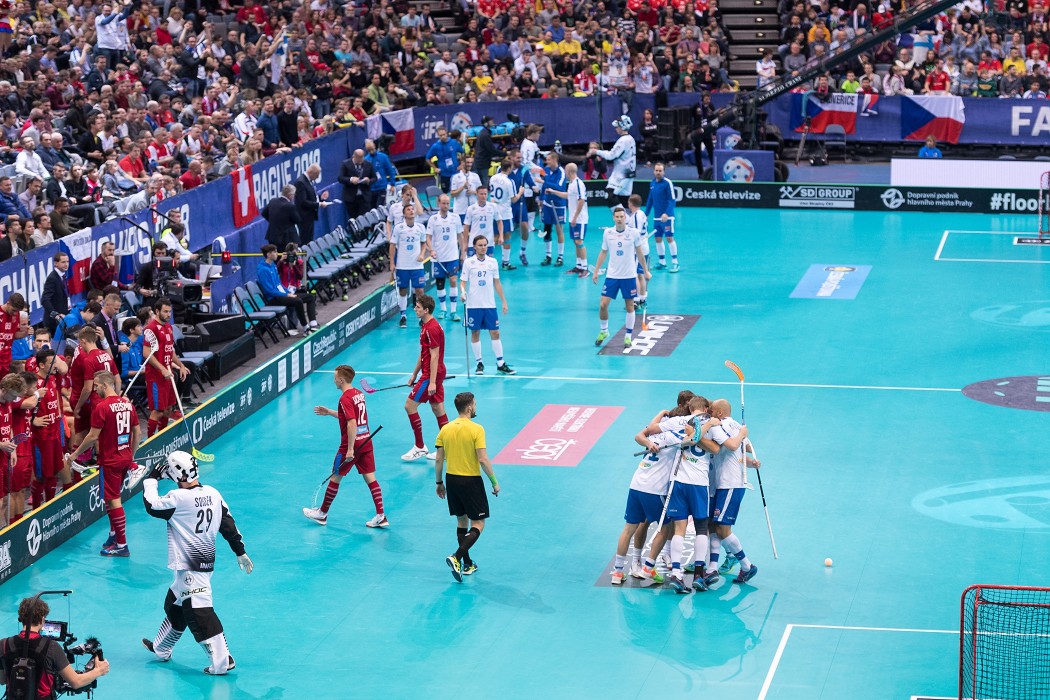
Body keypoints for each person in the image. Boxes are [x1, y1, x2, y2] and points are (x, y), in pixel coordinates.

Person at [142, 450, 253, 675]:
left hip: (191, 569)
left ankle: (222, 661)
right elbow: (228, 524)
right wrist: (240, 551)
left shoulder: (177, 498)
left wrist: (151, 479)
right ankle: (162, 648)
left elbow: (152, 505)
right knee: (174, 604)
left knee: (198, 613)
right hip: (200, 564)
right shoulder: (213, 493)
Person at [66, 370, 140, 557]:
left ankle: (122, 545)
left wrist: (75, 455)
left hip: (110, 461)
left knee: (114, 500)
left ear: (105, 385)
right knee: (110, 498)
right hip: (124, 458)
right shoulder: (128, 404)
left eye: (97, 385)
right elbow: (137, 432)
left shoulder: (102, 407)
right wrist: (131, 455)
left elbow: (92, 436)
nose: (95, 389)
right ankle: (114, 534)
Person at [304, 365, 387, 528]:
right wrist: (329, 412)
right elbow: (349, 416)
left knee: (335, 477)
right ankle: (381, 515)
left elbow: (351, 423)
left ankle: (322, 514)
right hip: (366, 441)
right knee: (371, 479)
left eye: (335, 378)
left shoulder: (344, 398)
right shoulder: (358, 394)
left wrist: (349, 449)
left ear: (341, 380)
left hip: (351, 445)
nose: (334, 380)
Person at [434, 391, 500, 582]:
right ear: (470, 407)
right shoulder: (476, 429)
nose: (475, 407)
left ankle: (468, 564)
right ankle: (456, 557)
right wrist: (494, 482)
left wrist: (439, 483)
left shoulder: (445, 429)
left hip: (451, 480)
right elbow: (483, 459)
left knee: (462, 522)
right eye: (475, 404)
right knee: (478, 524)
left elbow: (438, 459)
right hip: (470, 481)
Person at [0, 596, 110, 695]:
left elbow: (2, 680)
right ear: (42, 619)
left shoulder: (3, 644)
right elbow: (75, 682)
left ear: (20, 618)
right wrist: (99, 671)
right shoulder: (51, 646)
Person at [706, 398, 761, 584]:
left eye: (711, 411)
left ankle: (747, 566)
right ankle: (712, 568)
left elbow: (735, 446)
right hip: (721, 484)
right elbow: (745, 449)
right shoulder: (735, 426)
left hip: (730, 484)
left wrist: (741, 436)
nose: (709, 414)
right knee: (714, 526)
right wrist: (743, 436)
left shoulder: (721, 425)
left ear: (720, 413)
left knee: (723, 528)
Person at [592, 206, 651, 349]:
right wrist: (596, 270)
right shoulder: (608, 233)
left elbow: (640, 253)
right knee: (603, 304)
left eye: (621, 217)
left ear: (625, 218)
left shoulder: (633, 233)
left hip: (629, 276)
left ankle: (628, 336)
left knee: (630, 306)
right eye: (617, 217)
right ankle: (604, 331)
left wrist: (645, 271)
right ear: (613, 218)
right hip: (612, 275)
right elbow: (603, 252)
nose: (619, 219)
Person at [401, 295, 448, 462]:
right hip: (430, 373)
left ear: (426, 310)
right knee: (437, 409)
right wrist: (414, 373)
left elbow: (434, 356)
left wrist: (432, 382)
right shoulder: (425, 325)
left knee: (409, 406)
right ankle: (448, 449)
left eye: (418, 307)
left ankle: (420, 447)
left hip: (431, 375)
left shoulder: (432, 328)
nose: (415, 309)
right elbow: (424, 353)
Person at [460, 235, 515, 375]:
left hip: (489, 305)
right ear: (474, 247)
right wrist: (462, 292)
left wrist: (504, 301)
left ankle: (500, 363)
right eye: (480, 245)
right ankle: (479, 363)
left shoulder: (493, 262)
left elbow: (497, 283)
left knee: (495, 332)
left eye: (485, 245)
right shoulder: (468, 262)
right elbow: (463, 282)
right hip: (473, 305)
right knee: (475, 333)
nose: (483, 247)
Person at [142, 298, 190, 437]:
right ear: (157, 311)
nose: (168, 314)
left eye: (170, 311)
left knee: (168, 409)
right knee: (158, 411)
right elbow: (146, 353)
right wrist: (162, 368)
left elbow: (170, 350)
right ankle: (150, 440)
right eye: (165, 311)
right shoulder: (150, 329)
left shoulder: (168, 327)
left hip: (168, 374)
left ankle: (162, 437)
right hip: (156, 376)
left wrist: (180, 365)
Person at [30, 347, 69, 511]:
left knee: (53, 473)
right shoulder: (32, 383)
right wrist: (32, 420)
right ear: (41, 365)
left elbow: (63, 368)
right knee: (41, 476)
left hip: (55, 433)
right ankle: (36, 510)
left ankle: (50, 508)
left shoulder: (54, 377)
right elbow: (19, 407)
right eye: (51, 363)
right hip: (41, 437)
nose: (55, 365)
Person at [68, 325, 118, 449]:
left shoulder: (89, 358)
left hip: (94, 401)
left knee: (91, 435)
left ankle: (79, 459)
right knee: (104, 434)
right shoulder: (106, 355)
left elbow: (88, 387)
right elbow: (117, 379)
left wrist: (78, 406)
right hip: (107, 400)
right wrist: (116, 397)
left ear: (83, 340)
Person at [257, 244, 318, 335]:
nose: (277, 254)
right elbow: (269, 291)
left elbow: (279, 284)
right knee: (298, 301)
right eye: (274, 252)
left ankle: (313, 324)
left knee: (310, 297)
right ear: (268, 254)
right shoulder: (263, 270)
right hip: (273, 298)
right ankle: (306, 328)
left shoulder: (272, 266)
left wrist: (288, 292)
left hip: (281, 294)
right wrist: (287, 295)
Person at [389, 203, 428, 330]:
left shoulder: (420, 227)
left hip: (417, 266)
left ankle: (421, 317)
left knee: (420, 291)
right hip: (402, 265)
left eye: (412, 209)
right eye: (408, 210)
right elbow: (392, 245)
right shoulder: (398, 228)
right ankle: (403, 316)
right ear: (404, 214)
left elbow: (424, 243)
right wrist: (392, 263)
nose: (411, 211)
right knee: (403, 290)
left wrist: (422, 254)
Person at [425, 194, 462, 321]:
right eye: (443, 203)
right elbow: (428, 237)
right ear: (438, 203)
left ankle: (453, 311)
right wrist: (431, 250)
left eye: (447, 203)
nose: (446, 206)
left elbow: (460, 236)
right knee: (440, 284)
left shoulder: (455, 218)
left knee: (453, 280)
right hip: (439, 258)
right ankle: (443, 310)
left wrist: (463, 253)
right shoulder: (433, 219)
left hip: (452, 256)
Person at [590, 116, 637, 208]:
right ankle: (626, 217)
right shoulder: (631, 139)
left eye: (617, 126)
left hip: (622, 175)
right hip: (629, 174)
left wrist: (596, 152)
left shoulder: (623, 140)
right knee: (624, 200)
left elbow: (611, 155)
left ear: (622, 126)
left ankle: (622, 216)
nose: (616, 128)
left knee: (609, 196)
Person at [645, 163, 678, 272]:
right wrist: (646, 214)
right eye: (656, 170)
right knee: (658, 238)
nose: (658, 172)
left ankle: (675, 263)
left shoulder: (667, 183)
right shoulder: (652, 183)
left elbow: (672, 200)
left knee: (669, 238)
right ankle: (662, 262)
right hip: (657, 218)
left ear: (664, 172)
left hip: (668, 218)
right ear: (653, 171)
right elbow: (650, 199)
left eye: (660, 171)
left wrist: (667, 214)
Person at [507, 148, 538, 267]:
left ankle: (522, 252)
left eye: (521, 158)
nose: (520, 160)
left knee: (524, 226)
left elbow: (530, 181)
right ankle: (506, 258)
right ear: (512, 158)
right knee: (507, 231)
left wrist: (534, 187)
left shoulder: (524, 169)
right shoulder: (504, 168)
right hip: (507, 204)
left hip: (520, 202)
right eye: (518, 158)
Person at [486, 159, 518, 271]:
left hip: (493, 210)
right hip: (505, 213)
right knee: (507, 236)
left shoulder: (493, 178)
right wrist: (521, 192)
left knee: (494, 237)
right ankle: (505, 262)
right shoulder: (509, 182)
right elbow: (514, 199)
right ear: (509, 168)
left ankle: (487, 261)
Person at [539, 151, 567, 267]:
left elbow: (560, 187)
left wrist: (545, 182)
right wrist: (541, 199)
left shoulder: (561, 172)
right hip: (547, 204)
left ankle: (560, 257)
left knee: (559, 230)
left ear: (555, 160)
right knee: (547, 230)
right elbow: (544, 186)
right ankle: (548, 256)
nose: (547, 162)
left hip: (558, 204)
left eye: (549, 160)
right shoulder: (546, 169)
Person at [562, 163, 589, 277]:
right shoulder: (571, 184)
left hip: (580, 219)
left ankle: (585, 268)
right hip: (573, 218)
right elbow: (568, 196)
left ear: (569, 171)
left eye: (565, 171)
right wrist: (553, 192)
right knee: (575, 241)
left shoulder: (578, 183)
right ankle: (579, 266)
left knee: (579, 241)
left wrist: (574, 217)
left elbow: (581, 200)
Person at [293, 164, 329, 246]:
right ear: (311, 172)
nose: (317, 177)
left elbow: (310, 196)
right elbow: (303, 202)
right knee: (304, 240)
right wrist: (319, 204)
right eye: (317, 175)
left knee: (308, 238)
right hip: (304, 217)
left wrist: (320, 198)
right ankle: (303, 254)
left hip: (309, 216)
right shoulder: (300, 182)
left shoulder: (308, 181)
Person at [462, 184, 501, 259]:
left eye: (485, 194)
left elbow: (499, 221)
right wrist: (465, 243)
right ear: (477, 194)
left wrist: (501, 236)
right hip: (473, 243)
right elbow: (466, 227)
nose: (483, 196)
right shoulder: (471, 209)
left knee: (488, 264)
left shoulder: (493, 206)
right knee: (472, 264)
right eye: (481, 194)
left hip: (488, 243)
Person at [626, 195, 651, 311]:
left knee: (635, 274)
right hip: (645, 248)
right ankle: (642, 299)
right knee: (640, 274)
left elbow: (636, 233)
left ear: (631, 203)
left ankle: (635, 301)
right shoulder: (642, 214)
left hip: (638, 250)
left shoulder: (636, 216)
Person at [426, 126, 464, 193]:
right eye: (440, 135)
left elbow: (463, 152)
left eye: (444, 134)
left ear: (447, 134)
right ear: (438, 136)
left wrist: (462, 164)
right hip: (444, 174)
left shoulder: (454, 143)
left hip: (456, 172)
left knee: (458, 191)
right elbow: (427, 158)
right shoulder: (436, 146)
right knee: (444, 193)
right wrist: (435, 168)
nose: (443, 137)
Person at [338, 149, 374, 220]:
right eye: (358, 158)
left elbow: (374, 178)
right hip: (351, 198)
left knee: (365, 219)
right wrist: (350, 179)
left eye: (362, 158)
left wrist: (368, 180)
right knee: (353, 219)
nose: (360, 161)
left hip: (364, 197)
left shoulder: (368, 164)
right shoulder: (345, 164)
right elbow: (340, 178)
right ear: (354, 156)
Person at [261, 184, 300, 250]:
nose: (294, 196)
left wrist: (274, 222)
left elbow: (264, 213)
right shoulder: (290, 206)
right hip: (286, 239)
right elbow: (297, 220)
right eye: (294, 194)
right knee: (286, 256)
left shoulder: (273, 201)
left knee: (275, 255)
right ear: (290, 195)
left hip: (273, 236)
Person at [472, 116, 506, 188]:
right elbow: (491, 150)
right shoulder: (485, 135)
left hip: (480, 162)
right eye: (490, 121)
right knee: (483, 185)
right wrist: (505, 154)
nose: (492, 122)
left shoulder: (484, 133)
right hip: (482, 164)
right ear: (486, 123)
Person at [41, 253, 70, 336]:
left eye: (67, 262)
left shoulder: (63, 276)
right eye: (63, 262)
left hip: (63, 319)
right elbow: (45, 300)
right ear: (56, 263)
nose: (66, 264)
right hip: (53, 323)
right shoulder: (52, 278)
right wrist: (55, 315)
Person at [0, 293, 28, 377]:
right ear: (8, 303)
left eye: (17, 311)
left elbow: (13, 335)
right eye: (14, 310)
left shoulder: (16, 315)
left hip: (7, 359)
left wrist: (25, 333)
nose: (15, 313)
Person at [450, 156, 481, 224]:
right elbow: (452, 194)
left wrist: (473, 192)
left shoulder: (475, 176)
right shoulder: (455, 177)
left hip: (474, 209)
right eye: (467, 162)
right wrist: (463, 187)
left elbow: (480, 192)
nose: (469, 164)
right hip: (460, 210)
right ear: (462, 163)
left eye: (471, 162)